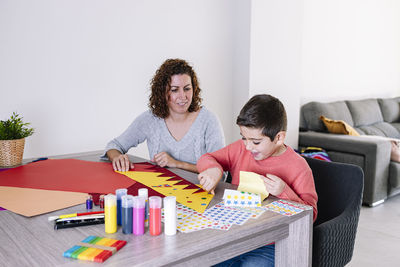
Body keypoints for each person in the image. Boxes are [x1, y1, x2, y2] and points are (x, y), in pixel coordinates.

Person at [197, 94, 317, 267]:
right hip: (235, 236)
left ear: (279, 138)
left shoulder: (299, 167)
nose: (247, 146)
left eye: (256, 141)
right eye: (244, 138)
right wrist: (214, 169)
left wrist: (284, 191)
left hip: (272, 243)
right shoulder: (240, 149)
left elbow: (310, 215)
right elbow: (206, 157)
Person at [102, 58, 225, 173]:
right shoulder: (150, 119)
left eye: (187, 89)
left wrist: (177, 163)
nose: (183, 96)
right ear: (162, 92)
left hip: (202, 194)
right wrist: (117, 157)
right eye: (174, 90)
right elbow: (114, 146)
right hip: (161, 194)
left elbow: (220, 170)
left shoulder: (208, 120)